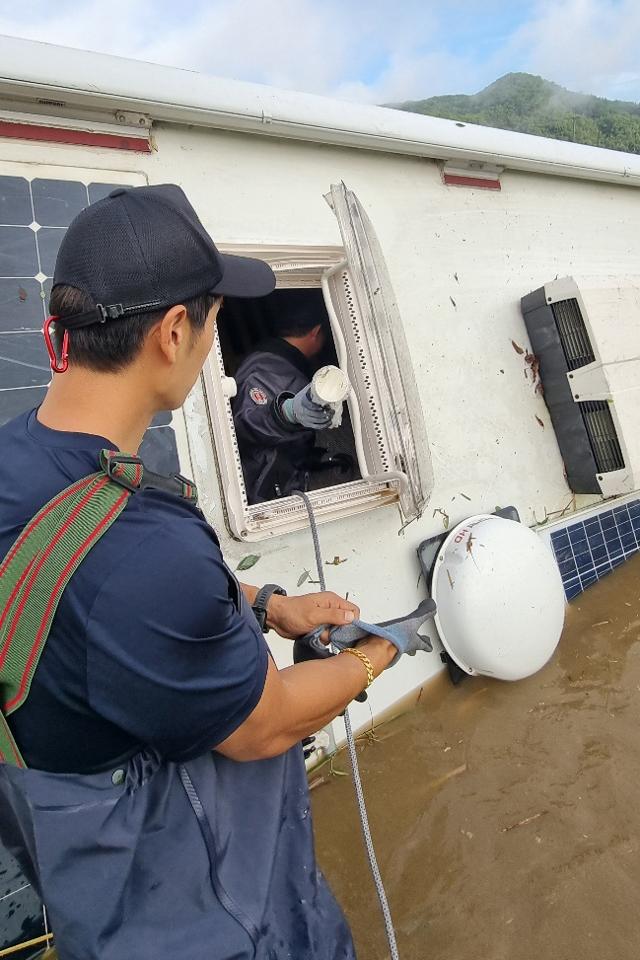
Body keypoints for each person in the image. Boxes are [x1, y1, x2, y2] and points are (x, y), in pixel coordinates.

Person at [0, 185, 406, 960]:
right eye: (216, 319)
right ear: (174, 329)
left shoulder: (17, 458)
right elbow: (267, 725)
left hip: (87, 885)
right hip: (197, 908)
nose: (216, 338)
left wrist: (266, 603)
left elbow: (80, 596)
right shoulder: (146, 550)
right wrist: (375, 653)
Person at [232, 293, 339, 503]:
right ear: (316, 332)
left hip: (279, 488)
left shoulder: (284, 366)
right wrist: (284, 413)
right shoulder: (267, 367)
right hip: (259, 495)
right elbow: (243, 423)